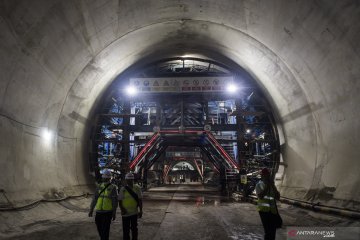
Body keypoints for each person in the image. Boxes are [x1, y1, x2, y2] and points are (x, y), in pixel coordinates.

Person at [89, 169, 118, 240]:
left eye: (105, 177)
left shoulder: (113, 188)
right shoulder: (99, 186)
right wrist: (91, 209)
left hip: (107, 212)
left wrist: (114, 212)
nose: (103, 178)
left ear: (108, 178)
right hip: (99, 211)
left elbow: (115, 201)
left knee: (105, 230)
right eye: (103, 177)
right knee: (99, 227)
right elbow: (95, 199)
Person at [255, 168, 281, 240]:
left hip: (272, 211)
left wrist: (273, 186)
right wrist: (267, 186)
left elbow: (278, 197)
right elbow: (260, 196)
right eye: (267, 175)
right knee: (268, 231)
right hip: (264, 211)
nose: (268, 176)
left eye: (269, 175)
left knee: (273, 231)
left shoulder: (272, 185)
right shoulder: (259, 185)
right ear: (263, 175)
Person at [119, 172, 143, 240]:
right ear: (126, 180)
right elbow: (120, 201)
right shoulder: (122, 189)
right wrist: (122, 209)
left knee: (134, 229)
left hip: (134, 213)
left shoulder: (137, 187)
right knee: (126, 230)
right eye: (128, 180)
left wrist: (141, 210)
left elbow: (140, 200)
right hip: (125, 213)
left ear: (133, 180)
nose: (130, 181)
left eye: (131, 180)